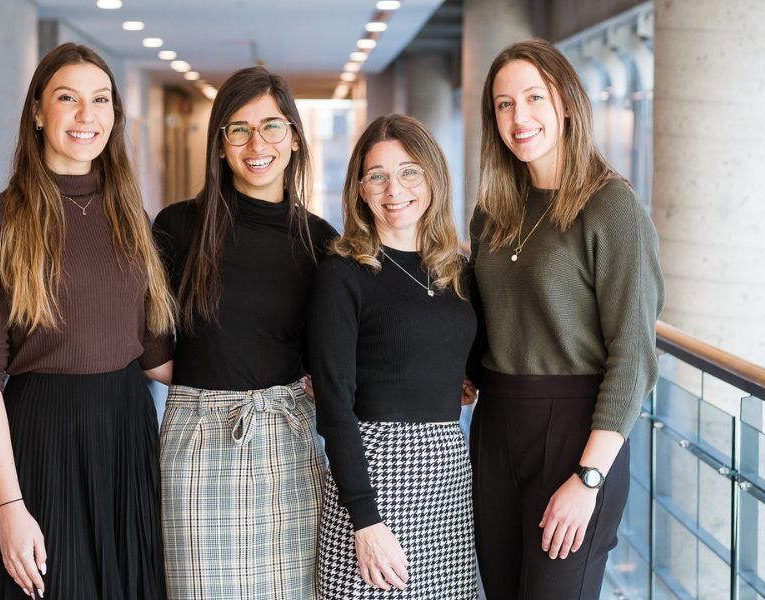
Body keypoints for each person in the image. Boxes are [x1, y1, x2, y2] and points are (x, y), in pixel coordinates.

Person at [0, 43, 175, 599]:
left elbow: (157, 355)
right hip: (41, 442)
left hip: (127, 437)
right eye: (68, 98)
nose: (87, 115)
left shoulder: (131, 215)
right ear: (36, 111)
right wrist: (10, 506)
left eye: (100, 100)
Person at [468, 38, 664, 599]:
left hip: (578, 435)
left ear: (568, 104)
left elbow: (633, 357)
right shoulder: (493, 212)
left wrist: (588, 479)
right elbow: (485, 321)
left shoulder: (610, 206)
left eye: (534, 97)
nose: (519, 117)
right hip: (496, 426)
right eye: (504, 104)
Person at [151, 66, 337, 599]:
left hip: (287, 437)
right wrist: (202, 389)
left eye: (273, 126)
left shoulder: (320, 241)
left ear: (295, 137)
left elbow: (334, 352)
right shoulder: (179, 227)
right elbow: (146, 339)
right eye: (238, 129)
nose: (258, 143)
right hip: (197, 440)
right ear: (220, 144)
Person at [309, 114, 478, 599]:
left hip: (448, 475)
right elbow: (334, 406)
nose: (393, 188)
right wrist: (365, 519)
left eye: (409, 171)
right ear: (360, 189)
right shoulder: (343, 274)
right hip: (374, 474)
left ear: (433, 178)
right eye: (377, 175)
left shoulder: (457, 272)